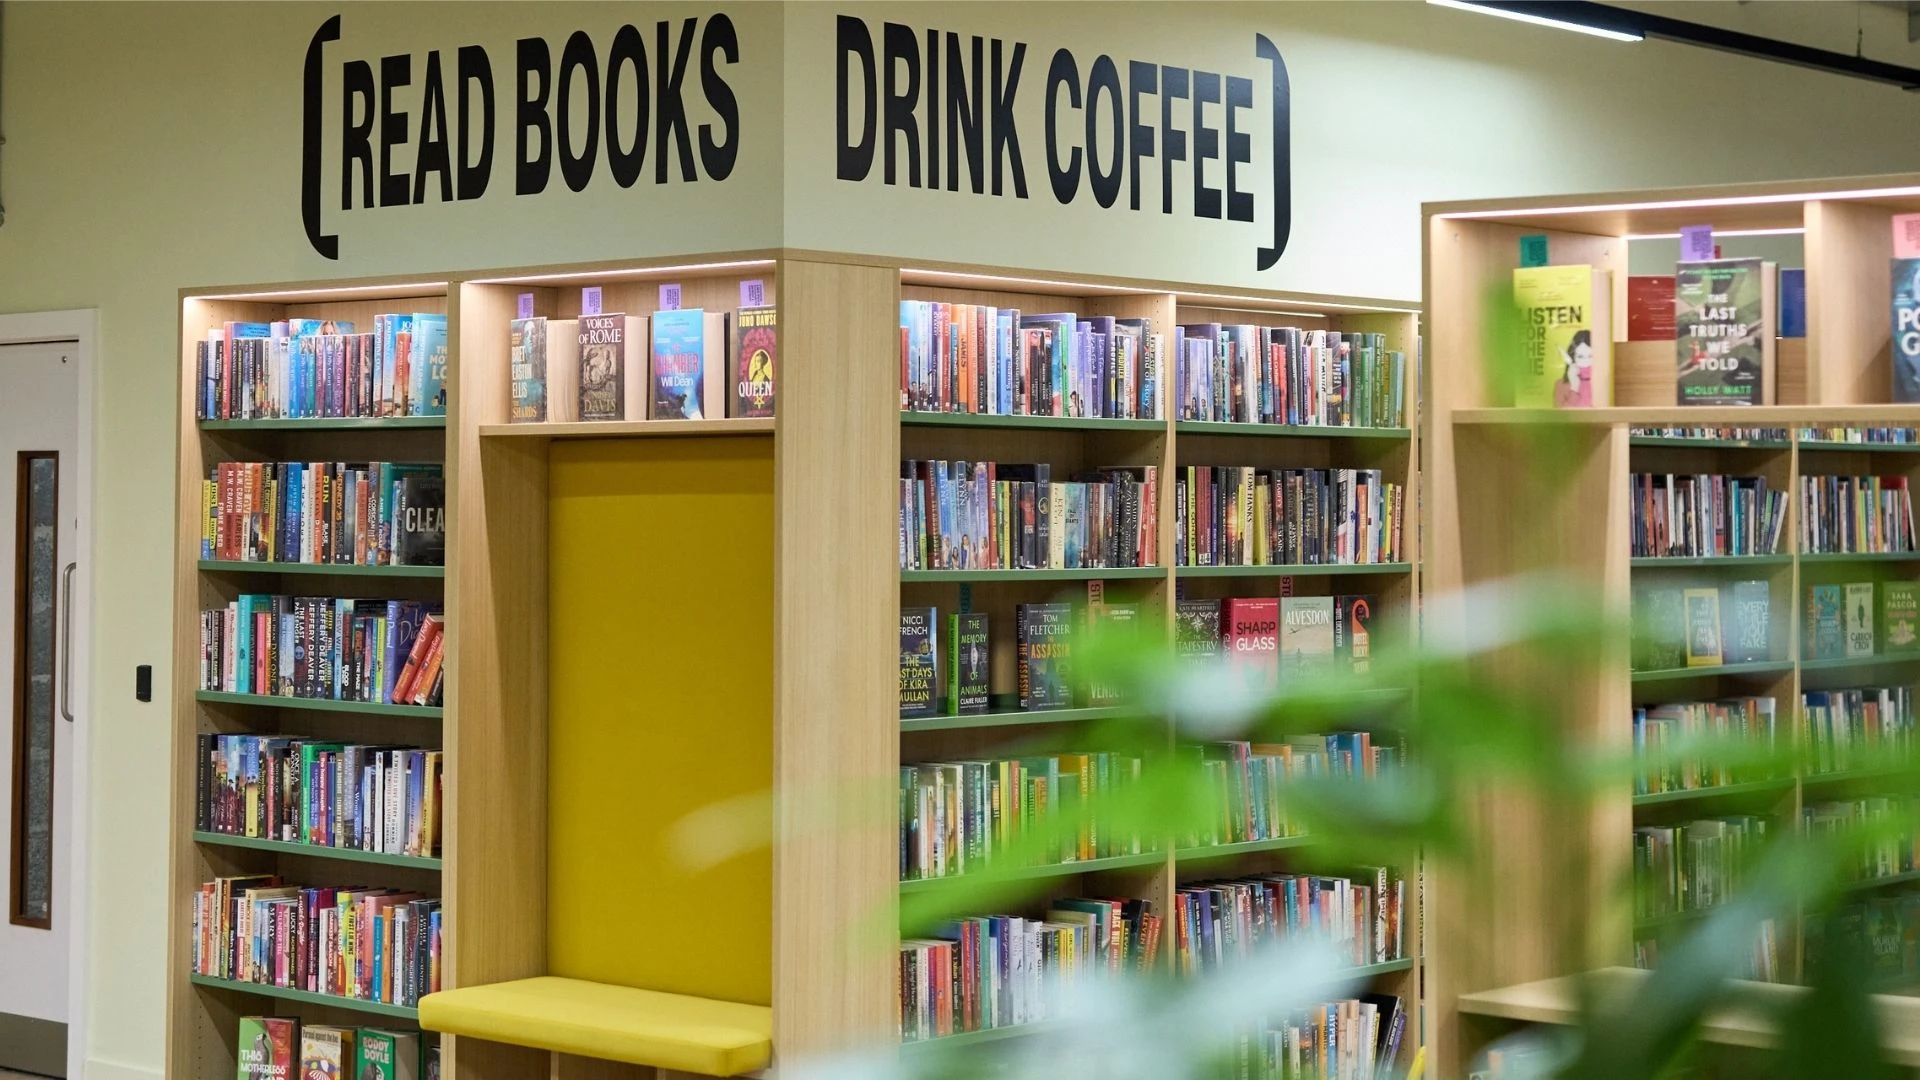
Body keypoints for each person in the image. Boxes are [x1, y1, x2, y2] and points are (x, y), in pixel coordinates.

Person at [1554, 329, 1596, 408]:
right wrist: (1574, 387)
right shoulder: (1561, 385)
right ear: (1573, 357)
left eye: (1590, 356)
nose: (1585, 362)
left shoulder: (1597, 382)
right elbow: (1560, 414)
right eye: (1580, 356)